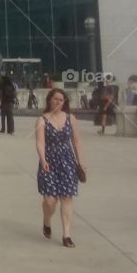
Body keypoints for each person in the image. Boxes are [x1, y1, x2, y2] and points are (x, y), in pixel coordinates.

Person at [36, 87, 86, 247]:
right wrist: (42, 159)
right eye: (55, 99)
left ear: (64, 103)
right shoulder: (42, 120)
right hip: (49, 162)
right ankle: (47, 220)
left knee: (67, 197)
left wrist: (81, 162)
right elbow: (40, 142)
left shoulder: (71, 118)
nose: (57, 102)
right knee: (50, 200)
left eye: (61, 100)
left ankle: (67, 234)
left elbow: (76, 141)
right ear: (49, 100)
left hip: (67, 161)